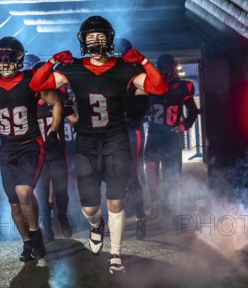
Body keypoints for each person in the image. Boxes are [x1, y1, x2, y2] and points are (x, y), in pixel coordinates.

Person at [29, 16, 168, 274]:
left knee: (115, 201)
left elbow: (159, 87)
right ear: (82, 41)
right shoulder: (73, 68)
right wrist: (51, 61)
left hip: (116, 139)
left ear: (110, 39)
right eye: (90, 37)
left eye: (100, 36)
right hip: (87, 141)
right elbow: (36, 84)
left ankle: (115, 255)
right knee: (90, 207)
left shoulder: (124, 68)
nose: (95, 41)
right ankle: (96, 226)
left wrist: (145, 61)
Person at [0, 37, 46, 262]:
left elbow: (55, 99)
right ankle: (27, 243)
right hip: (7, 150)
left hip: (30, 144)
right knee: (14, 204)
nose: (4, 62)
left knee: (25, 192)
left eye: (9, 57)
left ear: (20, 59)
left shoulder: (31, 80)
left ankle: (36, 235)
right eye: (1, 58)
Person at [144, 54, 199, 219]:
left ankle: (173, 207)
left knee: (172, 174)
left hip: (170, 137)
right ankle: (157, 205)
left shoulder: (183, 87)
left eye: (168, 67)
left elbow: (193, 111)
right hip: (154, 135)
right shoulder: (150, 86)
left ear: (174, 69)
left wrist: (184, 125)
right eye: (162, 68)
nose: (166, 71)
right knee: (151, 170)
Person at [29, 60, 74, 241]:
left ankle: (62, 216)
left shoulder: (59, 97)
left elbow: (74, 120)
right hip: (38, 154)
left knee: (61, 191)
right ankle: (46, 228)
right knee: (41, 193)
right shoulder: (29, 101)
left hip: (57, 152)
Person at [113, 38, 149, 240]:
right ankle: (114, 218)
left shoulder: (137, 74)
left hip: (130, 130)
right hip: (111, 131)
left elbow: (141, 107)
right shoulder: (107, 75)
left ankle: (141, 218)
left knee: (132, 176)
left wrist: (122, 108)